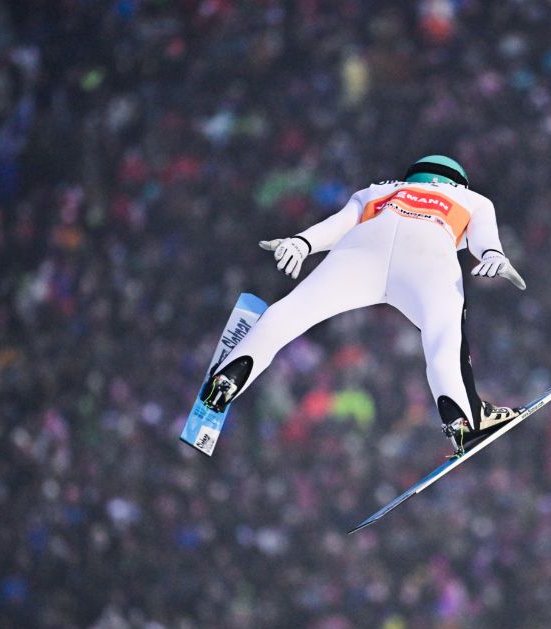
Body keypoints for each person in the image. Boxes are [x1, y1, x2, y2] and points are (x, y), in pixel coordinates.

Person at [201, 155, 527, 454]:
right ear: (458, 181)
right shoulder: (471, 199)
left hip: (361, 251)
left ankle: (231, 375)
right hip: (427, 257)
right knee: (445, 339)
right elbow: (485, 237)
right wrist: (492, 255)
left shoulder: (378, 190)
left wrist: (302, 242)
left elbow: (339, 223)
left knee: (292, 312)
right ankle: (462, 420)